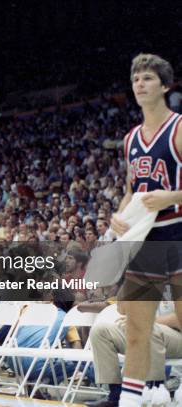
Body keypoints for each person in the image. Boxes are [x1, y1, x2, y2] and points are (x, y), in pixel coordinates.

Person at [110, 54, 182, 407]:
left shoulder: (179, 128)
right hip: (146, 240)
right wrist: (119, 215)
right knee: (138, 328)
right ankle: (129, 400)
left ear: (165, 86)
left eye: (148, 78)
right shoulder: (130, 139)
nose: (140, 83)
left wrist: (173, 194)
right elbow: (130, 189)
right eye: (136, 78)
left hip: (178, 231)